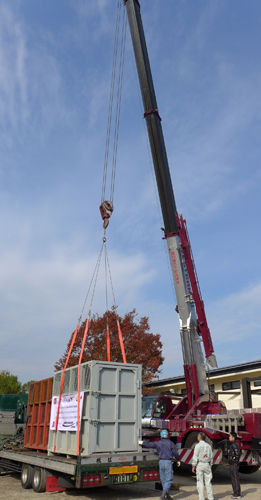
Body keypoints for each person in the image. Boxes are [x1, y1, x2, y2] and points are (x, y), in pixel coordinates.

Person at [138, 429, 180, 500]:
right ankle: (163, 495)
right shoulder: (170, 443)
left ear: (161, 436)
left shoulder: (158, 443)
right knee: (169, 479)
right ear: (167, 436)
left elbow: (150, 445)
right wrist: (178, 460)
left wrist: (142, 443)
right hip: (168, 462)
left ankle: (167, 495)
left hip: (161, 462)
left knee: (163, 479)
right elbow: (175, 452)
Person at [191, 432, 214, 500]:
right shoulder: (209, 446)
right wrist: (211, 465)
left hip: (200, 464)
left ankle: (201, 498)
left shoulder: (197, 446)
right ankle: (210, 498)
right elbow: (211, 457)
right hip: (207, 464)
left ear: (199, 437)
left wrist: (193, 465)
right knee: (208, 482)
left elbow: (195, 456)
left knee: (200, 482)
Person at [228, 431, 241, 499]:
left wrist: (235, 461)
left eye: (230, 436)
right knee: (233, 478)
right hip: (232, 463)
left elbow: (238, 454)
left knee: (235, 478)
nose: (229, 437)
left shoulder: (234, 445)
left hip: (234, 464)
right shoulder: (232, 444)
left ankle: (237, 493)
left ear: (233, 438)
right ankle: (235, 492)